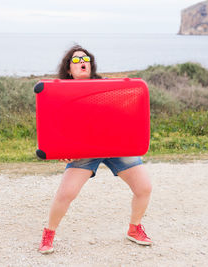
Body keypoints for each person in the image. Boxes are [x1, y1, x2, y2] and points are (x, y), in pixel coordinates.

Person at [39, 45, 152, 254]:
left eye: (85, 58)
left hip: (116, 147)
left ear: (90, 64)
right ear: (69, 69)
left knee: (144, 188)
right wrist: (60, 150)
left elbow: (127, 110)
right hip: (83, 151)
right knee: (66, 194)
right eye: (75, 60)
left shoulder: (107, 87)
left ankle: (134, 229)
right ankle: (49, 234)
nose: (82, 62)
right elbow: (55, 127)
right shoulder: (61, 94)